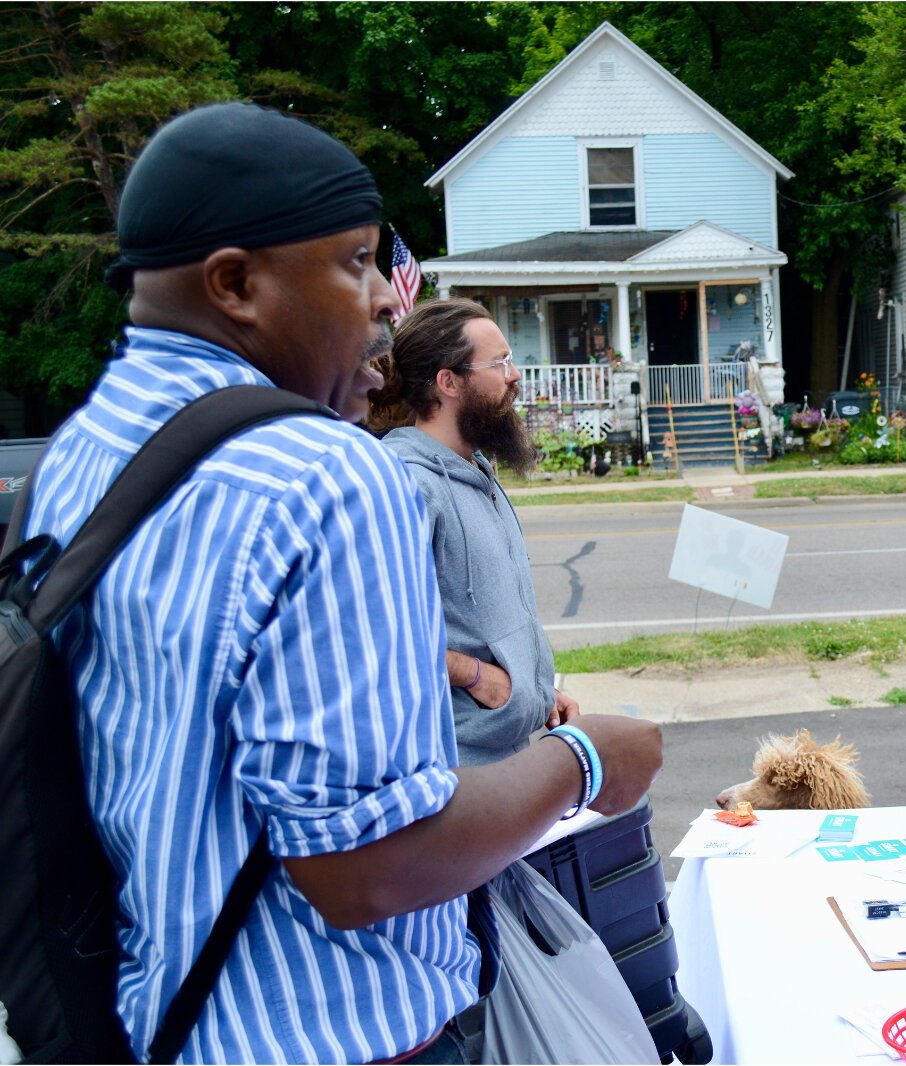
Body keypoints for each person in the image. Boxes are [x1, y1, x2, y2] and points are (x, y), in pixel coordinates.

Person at [22, 101, 661, 1063]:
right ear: (236, 283)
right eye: (355, 263)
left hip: (166, 1018)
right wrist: (586, 763)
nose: (385, 304)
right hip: (336, 1036)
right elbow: (365, 866)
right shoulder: (324, 475)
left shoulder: (81, 453)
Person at [372, 298, 574, 766]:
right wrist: (475, 675)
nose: (515, 375)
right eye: (499, 362)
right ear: (448, 382)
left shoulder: (476, 471)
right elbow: (375, 632)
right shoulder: (409, 484)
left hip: (505, 751)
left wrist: (538, 690)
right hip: (453, 764)